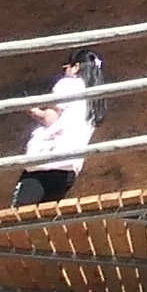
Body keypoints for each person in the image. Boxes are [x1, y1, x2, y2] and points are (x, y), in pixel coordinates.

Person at [18, 50, 101, 205]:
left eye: (66, 68)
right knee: (42, 220)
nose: (65, 72)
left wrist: (33, 110)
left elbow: (50, 118)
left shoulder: (69, 83)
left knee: (17, 217)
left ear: (76, 67)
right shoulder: (95, 101)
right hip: (69, 170)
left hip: (46, 162)